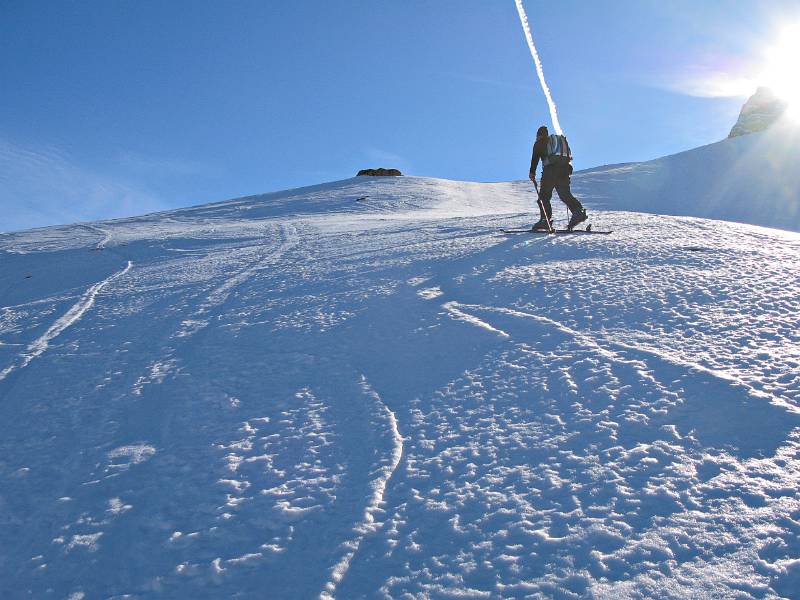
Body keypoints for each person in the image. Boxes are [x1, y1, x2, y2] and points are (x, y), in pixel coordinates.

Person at [528, 125, 588, 231]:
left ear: (538, 135)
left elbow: (535, 159)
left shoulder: (539, 143)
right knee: (565, 194)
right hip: (564, 170)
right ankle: (578, 212)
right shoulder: (557, 142)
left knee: (544, 196)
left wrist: (532, 173)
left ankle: (544, 220)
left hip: (550, 172)